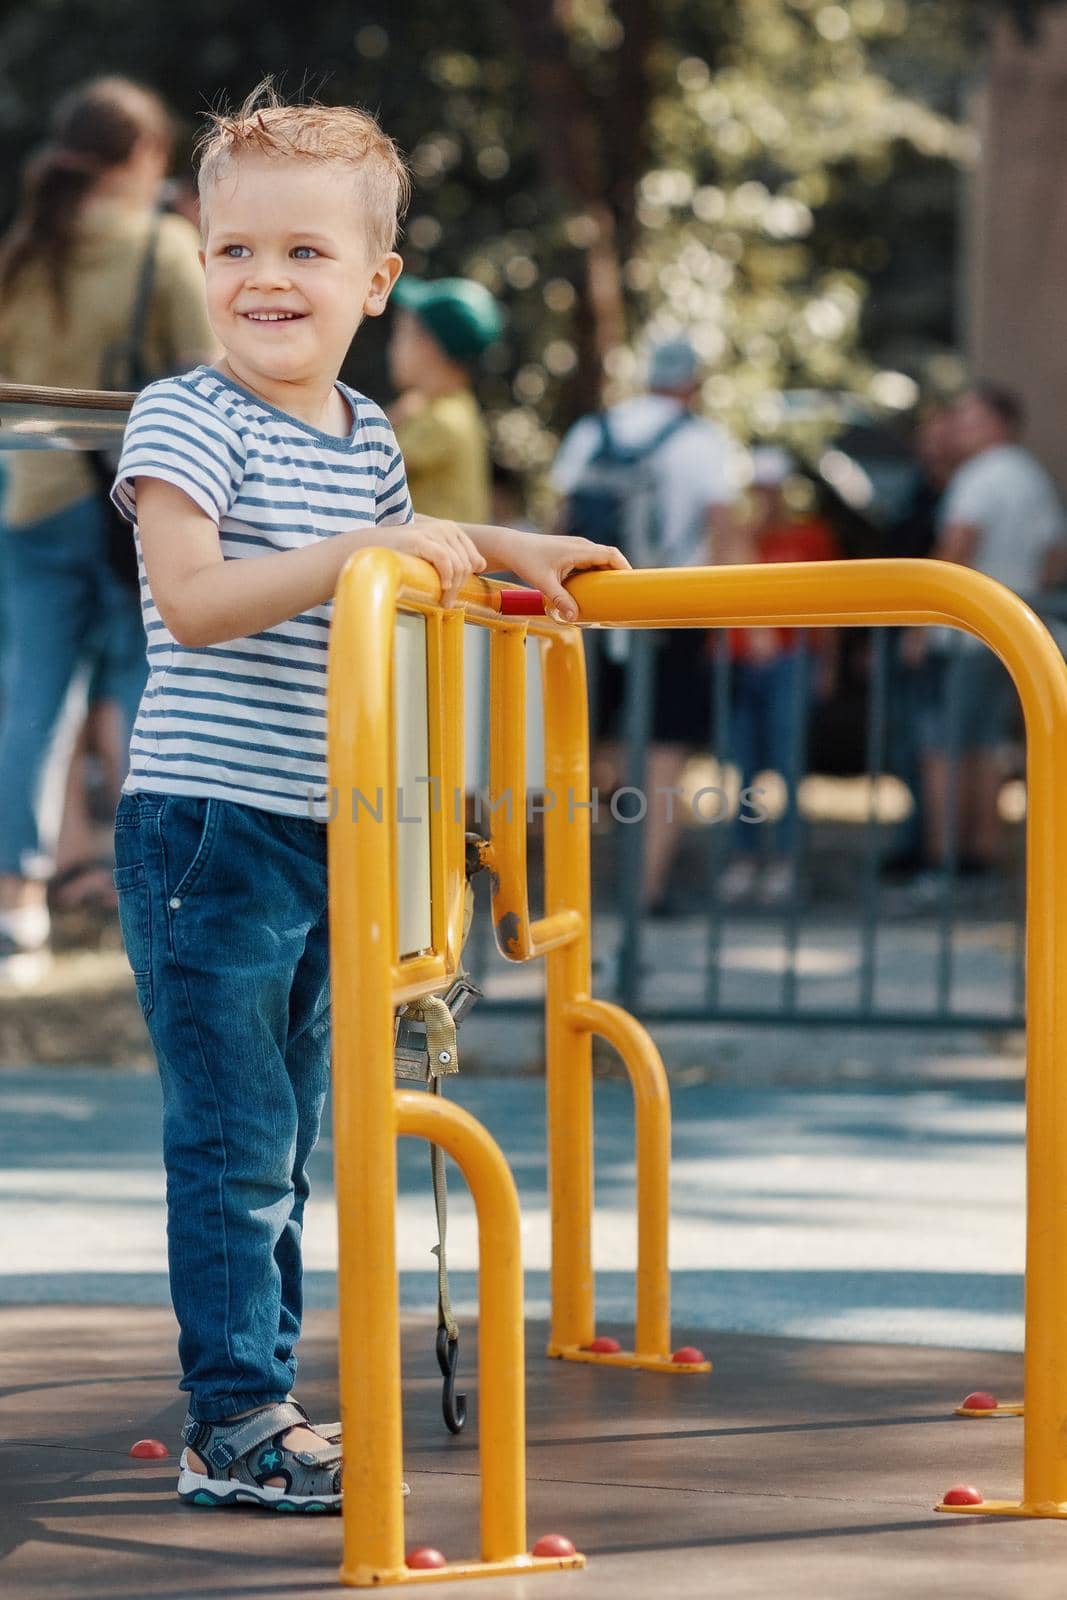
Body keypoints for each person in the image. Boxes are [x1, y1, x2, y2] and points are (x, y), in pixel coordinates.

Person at [109, 82, 627, 1511]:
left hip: (330, 827)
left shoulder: (365, 441)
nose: (264, 279)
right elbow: (199, 602)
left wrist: (508, 552)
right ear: (199, 258)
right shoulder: (185, 416)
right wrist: (375, 549)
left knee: (289, 1136)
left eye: (304, 253)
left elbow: (402, 602)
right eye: (233, 251)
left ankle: (258, 1396)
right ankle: (237, 1419)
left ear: (376, 282)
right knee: (235, 1142)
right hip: (207, 832)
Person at [0, 77, 215, 974]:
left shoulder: (23, 252)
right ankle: (152, 887)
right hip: (132, 505)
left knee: (33, 704)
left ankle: (18, 908)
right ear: (143, 159)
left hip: (27, 503)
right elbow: (207, 372)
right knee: (147, 688)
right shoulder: (162, 247)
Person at [551, 337, 743, 913]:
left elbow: (558, 522)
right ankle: (646, 890)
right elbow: (724, 529)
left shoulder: (595, 431)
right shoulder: (705, 443)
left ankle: (581, 887)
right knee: (665, 754)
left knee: (595, 750)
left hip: (594, 607)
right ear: (693, 384)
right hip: (673, 609)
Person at [914, 383, 1067, 884]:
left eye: (968, 416)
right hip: (1015, 633)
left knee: (945, 749)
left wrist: (919, 620)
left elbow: (957, 546)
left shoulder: (980, 477)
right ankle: (981, 854)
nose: (958, 425)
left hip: (963, 632)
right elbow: (1053, 558)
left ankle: (944, 861)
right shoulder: (1030, 475)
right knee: (986, 749)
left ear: (998, 423)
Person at [717, 448, 838, 907]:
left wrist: (827, 665)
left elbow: (827, 605)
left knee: (788, 761)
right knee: (743, 764)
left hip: (791, 658)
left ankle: (786, 860)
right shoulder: (733, 534)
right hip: (738, 660)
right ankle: (745, 858)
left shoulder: (810, 536)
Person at [386, 276, 502, 522]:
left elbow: (361, 468)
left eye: (400, 334)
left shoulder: (440, 422)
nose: (392, 348)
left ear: (428, 347)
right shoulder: (458, 407)